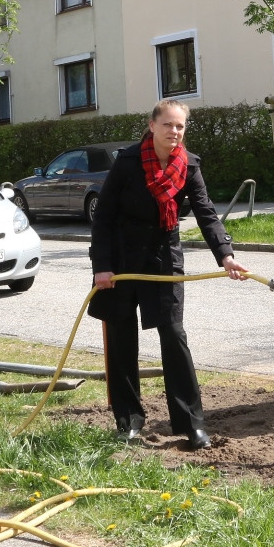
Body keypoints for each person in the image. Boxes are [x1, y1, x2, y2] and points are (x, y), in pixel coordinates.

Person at [89, 98, 249, 449]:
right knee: (121, 337)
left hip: (164, 257)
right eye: (168, 125)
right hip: (119, 260)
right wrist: (102, 266)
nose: (174, 131)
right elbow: (103, 217)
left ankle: (191, 424)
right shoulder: (128, 162)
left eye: (180, 126)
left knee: (174, 334)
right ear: (152, 125)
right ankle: (128, 420)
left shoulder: (188, 165)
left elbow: (206, 213)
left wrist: (226, 255)